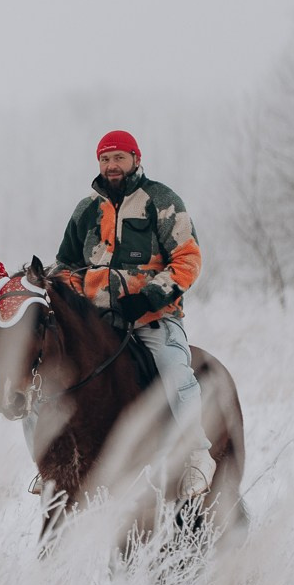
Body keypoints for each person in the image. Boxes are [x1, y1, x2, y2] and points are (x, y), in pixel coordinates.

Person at [53, 129, 213, 497]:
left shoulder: (162, 201)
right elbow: (64, 265)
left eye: (119, 157)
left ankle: (197, 456)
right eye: (105, 159)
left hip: (152, 318)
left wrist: (148, 298)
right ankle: (56, 460)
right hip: (96, 323)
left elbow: (188, 258)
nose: (112, 165)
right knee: (48, 372)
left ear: (136, 159)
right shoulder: (86, 210)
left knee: (174, 368)